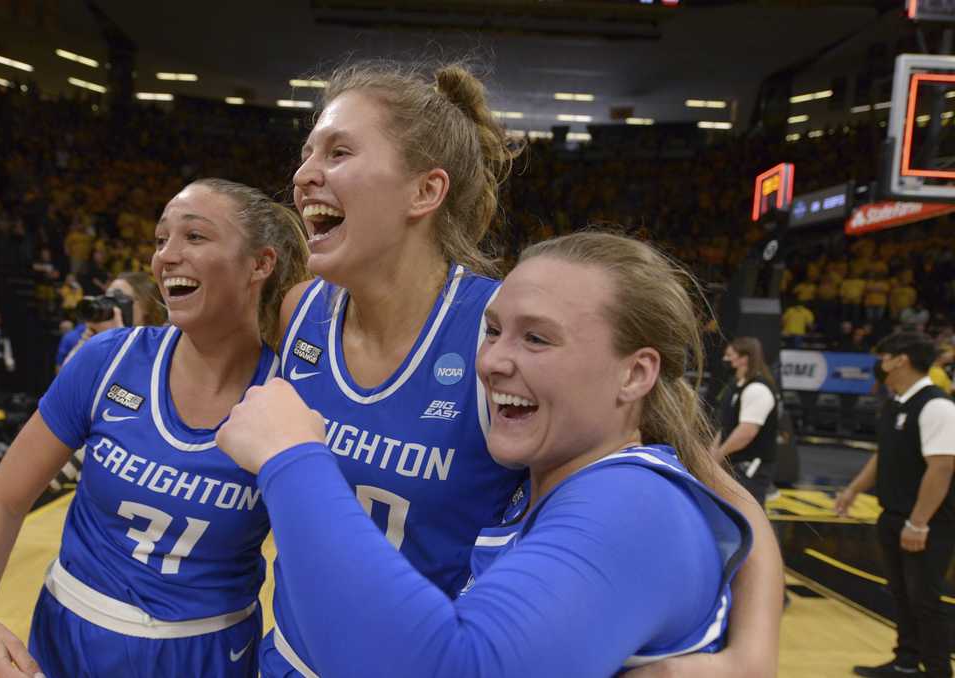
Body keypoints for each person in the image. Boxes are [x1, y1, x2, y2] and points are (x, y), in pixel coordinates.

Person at [264, 60, 782, 678]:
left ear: (426, 192)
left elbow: (719, 493)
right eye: (307, 151)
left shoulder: (499, 329)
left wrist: (752, 657)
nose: (304, 175)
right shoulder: (298, 311)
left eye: (339, 151)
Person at [217, 232, 756, 677]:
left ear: (635, 374)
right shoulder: (551, 480)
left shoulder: (634, 506)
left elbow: (454, 668)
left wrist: (292, 457)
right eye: (494, 331)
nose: (493, 360)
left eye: (538, 339)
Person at [0, 179, 310, 678]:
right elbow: (0, 501)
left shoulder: (290, 399)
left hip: (206, 653)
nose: (167, 255)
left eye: (195, 237)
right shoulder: (107, 360)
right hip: (68, 637)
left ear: (260, 263)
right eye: (161, 239)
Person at [837, 331, 955, 678]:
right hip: (893, 514)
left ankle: (937, 671)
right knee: (901, 594)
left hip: (928, 522)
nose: (879, 362)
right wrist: (854, 489)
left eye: (883, 355)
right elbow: (883, 455)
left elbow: (943, 467)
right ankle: (905, 662)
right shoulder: (895, 403)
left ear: (901, 359)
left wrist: (918, 523)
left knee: (925, 600)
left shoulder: (937, 406)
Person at [714, 337, 780, 507]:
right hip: (734, 465)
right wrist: (711, 456)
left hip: (751, 467)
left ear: (744, 358)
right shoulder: (734, 386)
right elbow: (726, 426)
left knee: (749, 517)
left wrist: (719, 455)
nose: (725, 360)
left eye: (730, 355)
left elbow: (746, 432)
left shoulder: (757, 389)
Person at [60, 271, 165, 367]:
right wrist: (86, 341)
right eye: (108, 298)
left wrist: (118, 339)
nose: (112, 306)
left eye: (118, 298)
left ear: (145, 305)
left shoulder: (161, 343)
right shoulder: (90, 335)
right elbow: (66, 379)